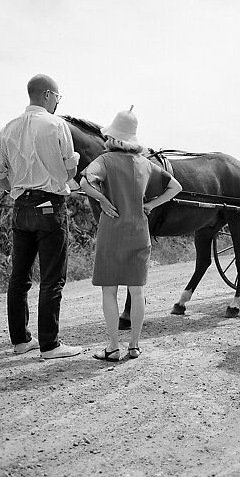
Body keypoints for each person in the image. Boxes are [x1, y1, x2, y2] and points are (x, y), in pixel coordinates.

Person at [0, 74, 83, 358]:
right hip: (50, 206)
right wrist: (61, 179)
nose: (57, 102)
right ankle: (50, 344)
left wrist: (14, 190)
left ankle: (21, 341)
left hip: (21, 208)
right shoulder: (56, 125)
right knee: (52, 277)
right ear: (46, 95)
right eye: (57, 96)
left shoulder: (8, 128)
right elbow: (70, 170)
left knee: (20, 277)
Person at [80, 108, 182, 361]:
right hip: (139, 231)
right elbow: (175, 187)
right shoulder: (145, 163)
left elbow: (84, 183)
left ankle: (113, 347)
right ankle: (134, 346)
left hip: (112, 232)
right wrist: (150, 205)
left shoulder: (104, 161)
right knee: (137, 293)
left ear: (113, 136)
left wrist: (102, 200)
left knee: (109, 292)